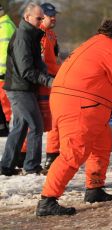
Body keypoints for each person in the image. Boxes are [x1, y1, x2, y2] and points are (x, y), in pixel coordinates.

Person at [36, 18, 112, 216]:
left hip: (72, 100)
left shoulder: (92, 44)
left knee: (101, 145)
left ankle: (94, 189)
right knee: (73, 153)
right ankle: (47, 200)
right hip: (81, 105)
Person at [0, 3, 54, 176]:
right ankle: (31, 166)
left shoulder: (30, 35)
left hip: (21, 87)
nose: (41, 21)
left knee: (20, 126)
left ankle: (6, 166)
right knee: (36, 125)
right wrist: (48, 80)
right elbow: (26, 70)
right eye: (38, 18)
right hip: (20, 88)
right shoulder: (24, 37)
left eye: (42, 18)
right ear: (27, 17)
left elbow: (36, 63)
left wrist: (47, 73)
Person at [18, 2, 61, 172]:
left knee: (48, 122)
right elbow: (40, 62)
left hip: (52, 80)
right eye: (49, 15)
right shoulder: (39, 34)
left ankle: (48, 155)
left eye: (53, 15)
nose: (53, 18)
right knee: (38, 123)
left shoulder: (51, 34)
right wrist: (51, 77)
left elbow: (55, 59)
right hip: (44, 83)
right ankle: (26, 156)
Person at [0, 4, 15, 136]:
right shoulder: (4, 24)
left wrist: (2, 71)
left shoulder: (4, 26)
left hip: (2, 72)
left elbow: (5, 51)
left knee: (3, 99)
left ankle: (3, 127)